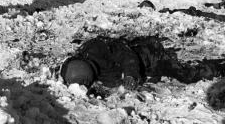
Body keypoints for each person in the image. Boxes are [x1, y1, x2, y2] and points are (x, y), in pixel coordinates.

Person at [61, 36, 225, 91]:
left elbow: (127, 55)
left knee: (187, 76)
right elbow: (65, 69)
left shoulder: (98, 48)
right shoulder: (77, 62)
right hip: (140, 53)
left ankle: (217, 68)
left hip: (151, 56)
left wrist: (131, 74)